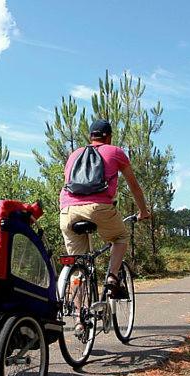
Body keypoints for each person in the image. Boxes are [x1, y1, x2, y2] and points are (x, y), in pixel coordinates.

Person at [59, 119, 150, 301]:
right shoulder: (115, 152)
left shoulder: (74, 155)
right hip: (98, 208)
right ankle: (112, 277)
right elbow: (134, 186)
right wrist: (143, 211)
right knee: (120, 237)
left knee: (78, 265)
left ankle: (79, 321)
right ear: (109, 136)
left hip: (67, 210)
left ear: (90, 136)